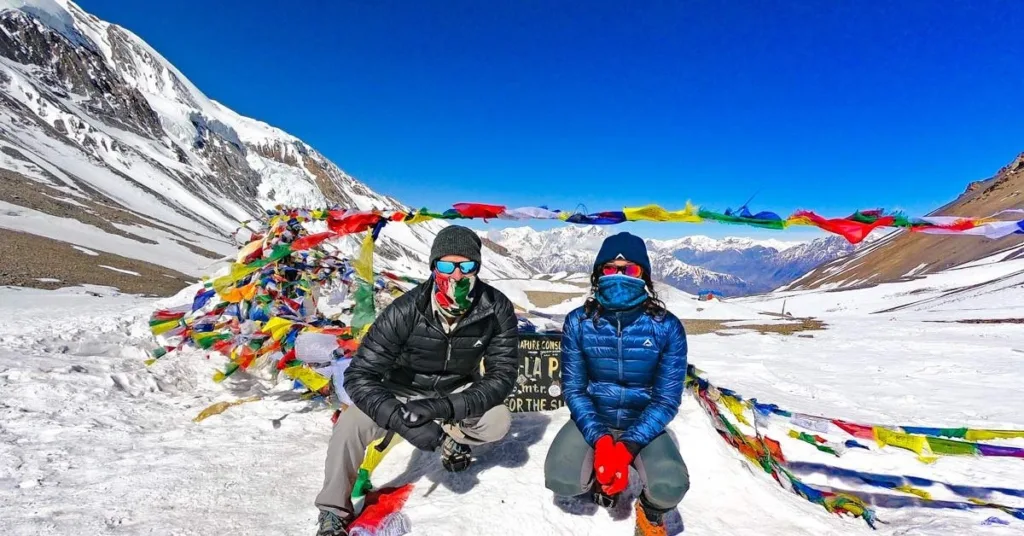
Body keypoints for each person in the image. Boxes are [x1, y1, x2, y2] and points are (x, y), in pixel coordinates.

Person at [315, 225, 520, 536]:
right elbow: (359, 375)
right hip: (399, 391)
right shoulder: (405, 310)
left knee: (497, 420)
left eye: (466, 266)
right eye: (446, 265)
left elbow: (502, 375)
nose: (456, 276)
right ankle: (332, 511)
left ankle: (455, 442)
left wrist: (445, 406)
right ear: (433, 266)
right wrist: (401, 420)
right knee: (349, 427)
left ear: (477, 267)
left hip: (455, 391)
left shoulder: (496, 308)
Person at [544, 232, 690, 535]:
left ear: (644, 277)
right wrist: (601, 440)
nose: (619, 275)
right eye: (610, 268)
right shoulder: (578, 322)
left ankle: (650, 511)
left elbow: (666, 400)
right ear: (598, 275)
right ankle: (598, 475)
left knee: (670, 485)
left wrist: (625, 449)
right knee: (561, 478)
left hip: (643, 424)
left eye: (630, 270)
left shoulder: (667, 327)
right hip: (594, 418)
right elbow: (574, 389)